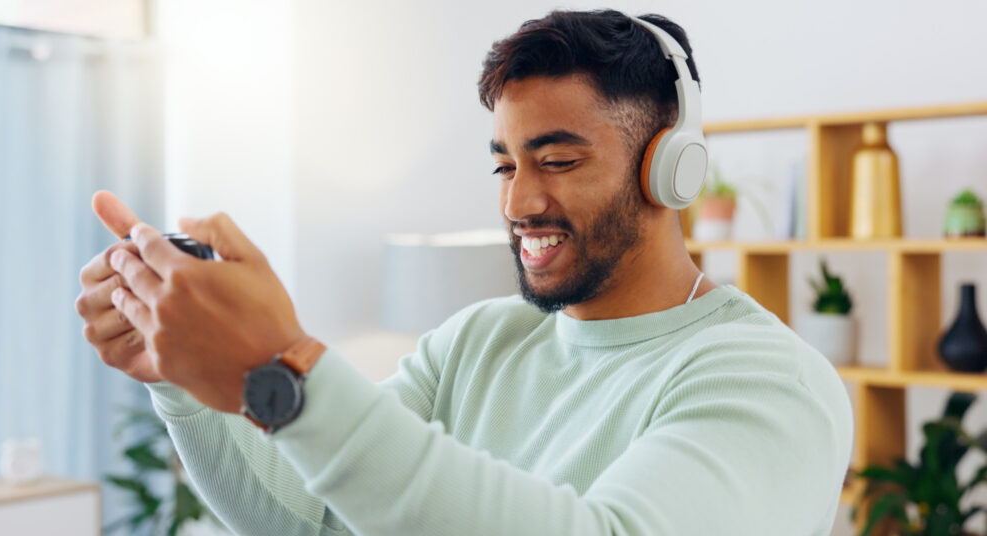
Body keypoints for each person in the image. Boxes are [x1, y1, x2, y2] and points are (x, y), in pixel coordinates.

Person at [75, 9, 852, 535]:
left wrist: (289, 365)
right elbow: (317, 520)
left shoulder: (768, 381)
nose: (518, 202)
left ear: (669, 168)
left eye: (556, 161)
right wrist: (177, 379)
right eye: (505, 165)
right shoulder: (475, 341)